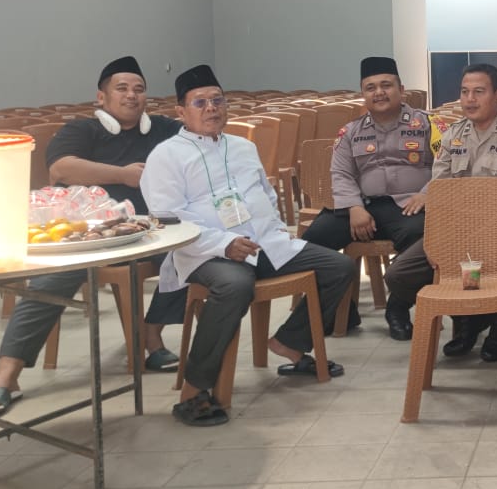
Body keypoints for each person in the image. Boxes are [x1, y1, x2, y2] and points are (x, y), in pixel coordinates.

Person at [0, 56, 185, 417]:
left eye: (139, 89)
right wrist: (122, 175)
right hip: (91, 234)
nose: (132, 95)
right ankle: (6, 377)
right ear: (101, 98)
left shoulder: (162, 129)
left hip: (150, 229)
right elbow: (61, 169)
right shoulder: (81, 130)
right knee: (50, 282)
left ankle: (151, 337)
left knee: (192, 254)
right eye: (122, 88)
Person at [141, 65, 353, 427]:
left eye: (217, 100)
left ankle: (290, 342)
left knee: (339, 267)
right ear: (181, 112)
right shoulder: (166, 156)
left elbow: (265, 194)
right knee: (235, 285)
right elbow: (169, 219)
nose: (211, 108)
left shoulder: (243, 146)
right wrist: (224, 244)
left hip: (264, 244)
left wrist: (275, 229)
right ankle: (194, 389)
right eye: (200, 102)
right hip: (203, 252)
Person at [382, 63, 497, 358]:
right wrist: (439, 239)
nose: (469, 99)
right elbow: (439, 192)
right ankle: (468, 318)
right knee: (398, 274)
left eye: (478, 92)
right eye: (465, 92)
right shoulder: (453, 135)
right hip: (457, 233)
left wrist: (470, 237)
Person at [300, 56, 437, 330]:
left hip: (410, 206)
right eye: (370, 87)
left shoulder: (429, 125)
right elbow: (341, 173)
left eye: (386, 85)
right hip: (364, 206)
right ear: (363, 94)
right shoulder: (350, 132)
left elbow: (448, 166)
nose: (379, 93)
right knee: (313, 239)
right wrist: (353, 207)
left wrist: (427, 194)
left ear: (401, 90)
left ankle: (398, 307)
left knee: (427, 237)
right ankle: (340, 308)